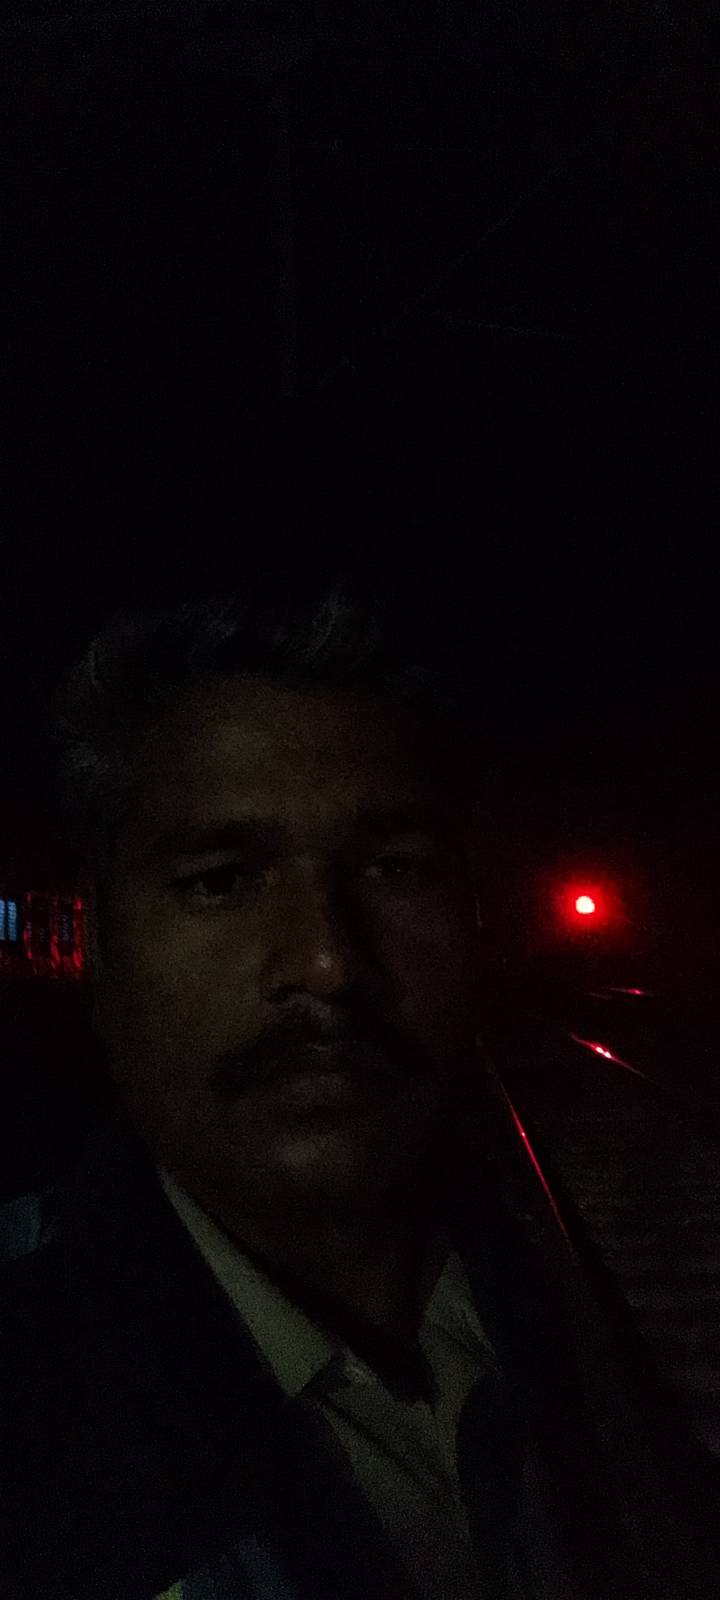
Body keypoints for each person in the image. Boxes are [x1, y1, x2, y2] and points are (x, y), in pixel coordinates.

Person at [0, 575, 716, 1599]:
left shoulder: (568, 1283)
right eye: (220, 880)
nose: (329, 962)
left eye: (394, 867)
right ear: (101, 947)